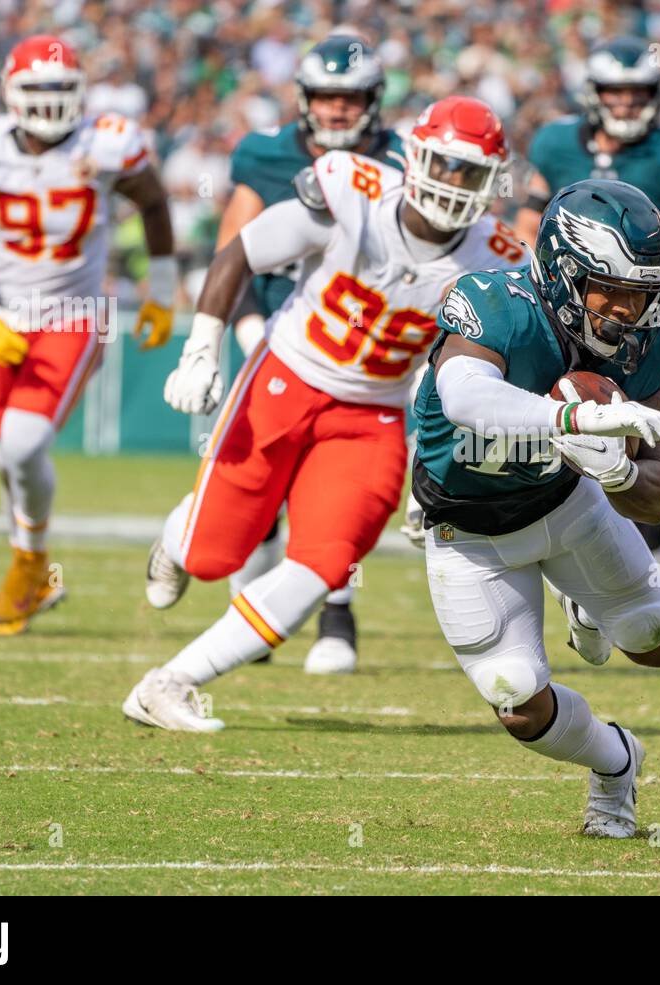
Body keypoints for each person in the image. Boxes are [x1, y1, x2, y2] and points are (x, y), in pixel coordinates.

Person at [123, 96, 521, 731]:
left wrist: (439, 469)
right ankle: (179, 537)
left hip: (373, 417)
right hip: (286, 378)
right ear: (413, 158)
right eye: (441, 166)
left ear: (491, 183)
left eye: (466, 173)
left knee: (326, 560)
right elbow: (240, 254)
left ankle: (171, 682)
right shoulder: (350, 187)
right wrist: (201, 349)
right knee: (211, 557)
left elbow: (465, 379)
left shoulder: (499, 260)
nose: (449, 185)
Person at [413, 179, 660, 837]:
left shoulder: (656, 338)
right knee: (517, 698)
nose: (629, 312)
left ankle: (584, 600)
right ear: (564, 274)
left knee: (656, 641)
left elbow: (658, 490)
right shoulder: (496, 304)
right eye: (611, 290)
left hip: (565, 501)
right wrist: (570, 417)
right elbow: (465, 398)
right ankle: (617, 760)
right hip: (468, 525)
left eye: (642, 294)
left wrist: (616, 467)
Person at [171, 33, 407, 675]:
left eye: (350, 98)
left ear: (374, 101)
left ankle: (336, 613)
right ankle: (244, 601)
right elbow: (233, 251)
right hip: (277, 333)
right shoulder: (266, 155)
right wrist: (236, 338)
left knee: (334, 489)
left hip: (360, 340)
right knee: (258, 482)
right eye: (326, 97)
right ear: (304, 99)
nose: (336, 110)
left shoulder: (404, 162)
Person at [0, 34, 176, 636]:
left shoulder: (107, 144)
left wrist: (164, 290)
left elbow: (153, 203)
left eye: (60, 89)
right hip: (5, 313)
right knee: (6, 452)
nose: (50, 103)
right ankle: (36, 571)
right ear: (11, 93)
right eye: (38, 89)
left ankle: (28, 563)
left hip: (77, 314)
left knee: (22, 444)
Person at [515, 36, 660, 628]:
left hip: (645, 324)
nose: (624, 101)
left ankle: (619, 573)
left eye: (637, 90)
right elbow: (525, 230)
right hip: (561, 313)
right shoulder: (557, 142)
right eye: (615, 89)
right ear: (592, 93)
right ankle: (640, 569)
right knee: (553, 429)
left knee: (630, 440)